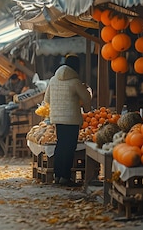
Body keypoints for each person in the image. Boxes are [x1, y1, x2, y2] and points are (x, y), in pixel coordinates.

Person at [44, 54, 91, 187]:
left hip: (57, 118)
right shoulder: (75, 82)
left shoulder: (53, 80)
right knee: (69, 147)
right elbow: (86, 98)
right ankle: (65, 177)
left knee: (60, 145)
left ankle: (57, 175)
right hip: (71, 119)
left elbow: (47, 99)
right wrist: (87, 108)